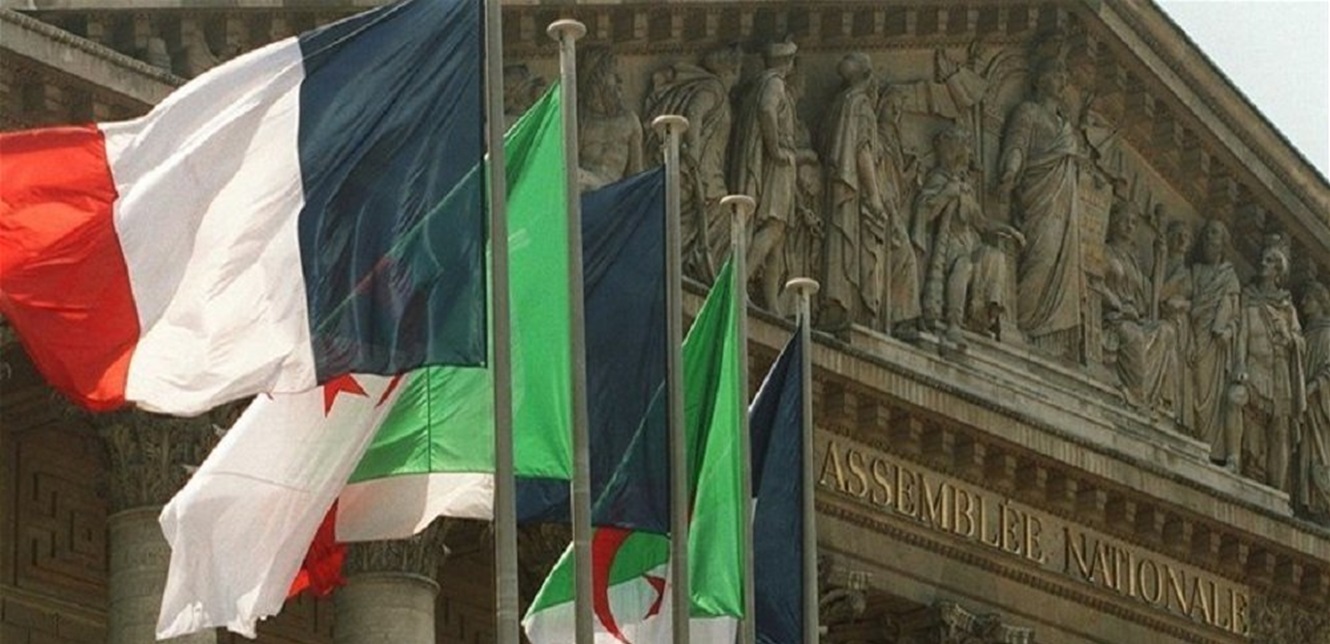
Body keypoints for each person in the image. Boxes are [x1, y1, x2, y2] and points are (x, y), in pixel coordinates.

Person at [997, 57, 1087, 360]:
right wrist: (1010, 172)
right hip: (1037, 200)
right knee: (1042, 256)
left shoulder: (1066, 127)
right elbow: (1017, 146)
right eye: (1055, 72)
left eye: (1064, 75)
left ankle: (1050, 338)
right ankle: (1024, 324)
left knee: (1061, 264)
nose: (1062, 79)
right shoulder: (1028, 112)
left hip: (1065, 210)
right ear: (1038, 78)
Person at [643, 45, 743, 282]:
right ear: (730, 70)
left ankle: (693, 269)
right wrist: (694, 154)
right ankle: (689, 269)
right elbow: (695, 112)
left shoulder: (719, 92)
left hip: (709, 171)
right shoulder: (714, 88)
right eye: (737, 69)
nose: (738, 76)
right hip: (702, 172)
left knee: (710, 219)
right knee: (715, 216)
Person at [913, 125, 1013, 346]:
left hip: (968, 243)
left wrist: (1009, 230)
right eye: (966, 150)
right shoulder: (938, 179)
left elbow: (982, 223)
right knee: (964, 266)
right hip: (947, 245)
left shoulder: (966, 189)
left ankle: (981, 318)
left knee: (995, 257)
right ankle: (954, 323)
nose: (969, 157)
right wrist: (947, 193)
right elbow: (926, 212)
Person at [821, 53, 888, 333]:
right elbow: (862, 151)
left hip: (835, 190)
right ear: (869, 77)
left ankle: (837, 303)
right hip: (854, 193)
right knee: (854, 246)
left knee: (840, 242)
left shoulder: (840, 103)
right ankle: (850, 306)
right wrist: (874, 196)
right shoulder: (861, 106)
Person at [732, 40, 800, 314]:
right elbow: (766, 110)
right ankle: (740, 283)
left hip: (778, 163)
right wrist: (776, 150)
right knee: (774, 227)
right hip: (776, 165)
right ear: (788, 63)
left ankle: (772, 305)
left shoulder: (760, 84)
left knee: (778, 239)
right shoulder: (774, 83)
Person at [1236, 238, 1305, 491]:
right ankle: (1251, 469)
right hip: (1254, 366)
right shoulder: (1249, 297)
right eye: (1263, 259)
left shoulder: (1287, 307)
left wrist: (1289, 337)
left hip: (1280, 370)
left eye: (1269, 261)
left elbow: (1299, 340)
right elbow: (1242, 333)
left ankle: (1278, 490)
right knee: (1252, 417)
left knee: (1280, 427)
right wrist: (1239, 365)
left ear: (1278, 271)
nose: (1262, 264)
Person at [1094, 203, 1178, 411]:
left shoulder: (1133, 262)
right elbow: (1095, 281)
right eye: (1125, 220)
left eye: (1133, 222)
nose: (1130, 226)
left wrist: (1160, 256)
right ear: (1113, 222)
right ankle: (1136, 396)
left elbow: (1150, 295)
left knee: (1166, 331)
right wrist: (1114, 302)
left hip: (1133, 318)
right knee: (1133, 335)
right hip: (1112, 318)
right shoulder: (1105, 252)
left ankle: (1152, 399)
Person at [1188, 219, 1243, 469]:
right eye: (1206, 233)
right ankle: (1194, 437)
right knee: (1197, 386)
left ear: (1223, 243)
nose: (1209, 237)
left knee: (1214, 394)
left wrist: (1228, 332)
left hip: (1217, 344)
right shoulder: (1197, 270)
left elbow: (1236, 318)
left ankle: (1211, 447)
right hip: (1197, 334)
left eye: (1215, 233)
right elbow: (1188, 298)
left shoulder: (1230, 277)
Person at [577, 46, 643, 192]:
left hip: (615, 194)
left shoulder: (629, 121)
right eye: (613, 74)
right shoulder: (580, 120)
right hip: (585, 192)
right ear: (597, 79)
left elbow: (636, 175)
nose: (620, 80)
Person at [1297, 283, 1330, 524]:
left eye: (1308, 298)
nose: (1302, 303)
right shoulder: (1305, 334)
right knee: (1304, 449)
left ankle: (1319, 501)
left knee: (1318, 451)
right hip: (1303, 402)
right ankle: (1306, 498)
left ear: (1320, 301)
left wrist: (1315, 386)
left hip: (1319, 404)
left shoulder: (1328, 334)